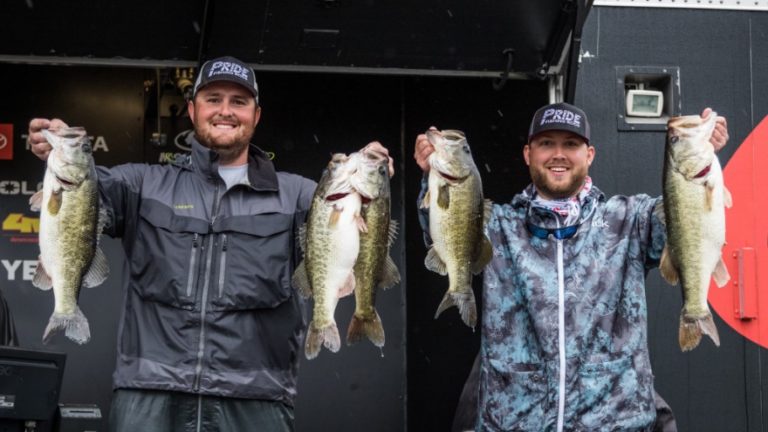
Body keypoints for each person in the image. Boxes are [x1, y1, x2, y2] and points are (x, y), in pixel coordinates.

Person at [28, 56, 393, 432]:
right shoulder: (143, 185)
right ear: (192, 110)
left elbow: (360, 242)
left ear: (256, 115)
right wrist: (59, 147)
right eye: (213, 98)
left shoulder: (301, 196)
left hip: (255, 399)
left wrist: (372, 190)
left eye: (239, 102)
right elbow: (81, 197)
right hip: (149, 395)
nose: (225, 111)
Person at [413, 102, 728, 432]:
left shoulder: (630, 220)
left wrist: (703, 151)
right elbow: (444, 230)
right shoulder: (499, 226)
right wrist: (429, 176)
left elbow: (687, 223)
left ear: (589, 154)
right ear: (527, 153)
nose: (558, 154)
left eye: (571, 144)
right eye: (547, 143)